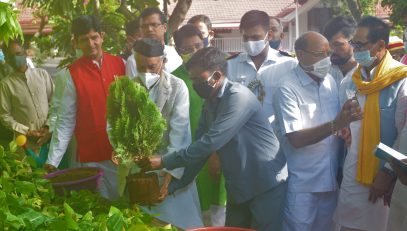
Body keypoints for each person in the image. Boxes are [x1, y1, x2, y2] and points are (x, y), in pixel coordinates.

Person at [147, 47, 288, 231]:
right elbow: (199, 147)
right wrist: (174, 185)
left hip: (265, 183)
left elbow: (211, 142)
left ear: (216, 76)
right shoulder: (210, 103)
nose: (195, 84)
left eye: (199, 79)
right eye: (193, 80)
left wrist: (165, 161)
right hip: (239, 185)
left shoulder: (238, 97)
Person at [273, 31, 362, 231]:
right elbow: (295, 138)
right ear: (300, 54)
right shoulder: (287, 87)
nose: (327, 59)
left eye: (327, 53)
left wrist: (344, 130)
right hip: (303, 186)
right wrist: (336, 125)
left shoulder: (330, 82)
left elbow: (338, 124)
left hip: (331, 181)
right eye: (320, 54)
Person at [333, 16, 407, 231]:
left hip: (383, 180)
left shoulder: (401, 82)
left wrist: (387, 173)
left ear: (380, 46)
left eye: (360, 44)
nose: (355, 49)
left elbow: (404, 135)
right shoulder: (351, 81)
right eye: (353, 43)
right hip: (352, 173)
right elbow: (345, 125)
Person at [44, 15, 126, 200]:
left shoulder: (121, 64)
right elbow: (65, 120)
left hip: (120, 155)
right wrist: (52, 161)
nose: (90, 43)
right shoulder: (70, 74)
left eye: (94, 37)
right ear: (76, 43)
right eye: (84, 40)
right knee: (95, 209)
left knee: (123, 206)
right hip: (90, 158)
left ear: (102, 36)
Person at [132, 38, 203, 229]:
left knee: (181, 223)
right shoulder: (127, 87)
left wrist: (168, 180)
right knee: (144, 223)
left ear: (163, 61)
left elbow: (180, 134)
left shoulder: (178, 87)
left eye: (152, 66)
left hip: (171, 167)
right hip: (140, 173)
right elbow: (115, 127)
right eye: (141, 67)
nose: (146, 72)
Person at [173, 24, 227, 227]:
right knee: (194, 211)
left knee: (218, 210)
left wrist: (216, 153)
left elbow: (222, 118)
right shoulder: (173, 79)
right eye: (187, 49)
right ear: (179, 52)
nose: (194, 52)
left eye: (198, 46)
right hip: (187, 155)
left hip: (216, 152)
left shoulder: (215, 76)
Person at [227, 10, 297, 122]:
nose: (250, 42)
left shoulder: (289, 65)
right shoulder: (230, 66)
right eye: (246, 37)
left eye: (255, 37)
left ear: (268, 35)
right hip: (242, 136)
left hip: (276, 136)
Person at [0, 39, 54, 152]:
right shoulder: (6, 85)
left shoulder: (42, 75)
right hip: (25, 144)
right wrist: (26, 131)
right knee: (29, 169)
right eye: (11, 56)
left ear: (25, 53)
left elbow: (55, 103)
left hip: (50, 139)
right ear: (6, 59)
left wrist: (48, 126)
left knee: (55, 169)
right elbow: (4, 116)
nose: (15, 58)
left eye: (18, 54)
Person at [126, 8, 182, 77]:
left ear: (164, 27)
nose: (149, 29)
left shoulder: (172, 52)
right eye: (144, 26)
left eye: (154, 25)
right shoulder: (133, 60)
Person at [323, 16, 358, 87]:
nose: (331, 50)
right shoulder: (323, 73)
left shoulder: (367, 75)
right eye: (327, 45)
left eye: (337, 44)